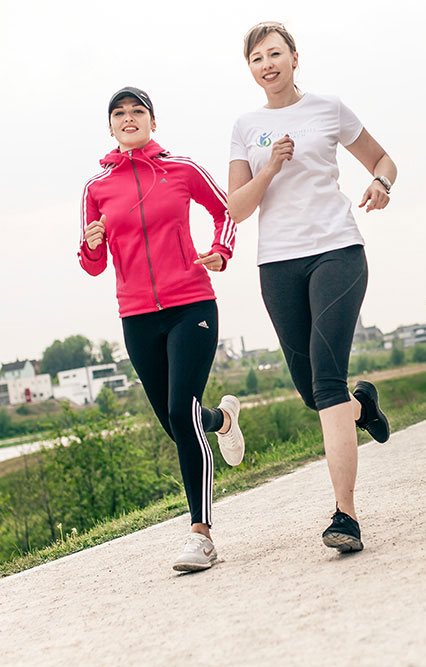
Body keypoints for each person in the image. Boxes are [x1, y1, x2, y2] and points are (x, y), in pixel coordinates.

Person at [227, 22, 395, 554]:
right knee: (313, 392)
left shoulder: (329, 108)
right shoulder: (246, 126)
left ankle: (345, 515)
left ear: (295, 58)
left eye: (276, 53)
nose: (267, 64)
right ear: (250, 69)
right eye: (257, 59)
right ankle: (361, 407)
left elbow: (382, 160)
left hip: (336, 251)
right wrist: (271, 166)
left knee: (326, 382)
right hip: (277, 264)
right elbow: (236, 208)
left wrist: (380, 184)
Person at [79, 86, 245, 572]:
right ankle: (223, 421)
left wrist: (222, 251)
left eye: (138, 112)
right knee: (179, 423)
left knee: (179, 409)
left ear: (153, 121)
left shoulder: (182, 170)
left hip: (191, 304)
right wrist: (92, 243)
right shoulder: (96, 188)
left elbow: (226, 210)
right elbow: (92, 265)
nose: (129, 119)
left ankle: (201, 534)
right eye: (119, 114)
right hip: (136, 317)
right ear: (110, 126)